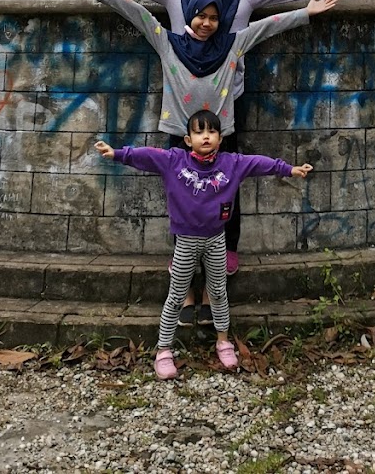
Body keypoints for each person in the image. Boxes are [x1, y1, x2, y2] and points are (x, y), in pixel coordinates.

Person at [56, 0, 361, 276]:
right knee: (179, 178)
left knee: (226, 175)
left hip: (226, 98)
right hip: (181, 108)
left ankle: (227, 246)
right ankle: (183, 250)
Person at [96, 110, 312, 378]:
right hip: (185, 242)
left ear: (220, 138)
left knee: (218, 292)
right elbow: (146, 155)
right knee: (176, 295)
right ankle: (163, 350)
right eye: (199, 132)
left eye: (211, 131)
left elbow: (259, 163)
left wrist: (289, 169)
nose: (206, 136)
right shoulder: (174, 160)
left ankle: (223, 342)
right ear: (188, 140)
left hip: (216, 240)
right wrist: (116, 153)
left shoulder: (232, 163)